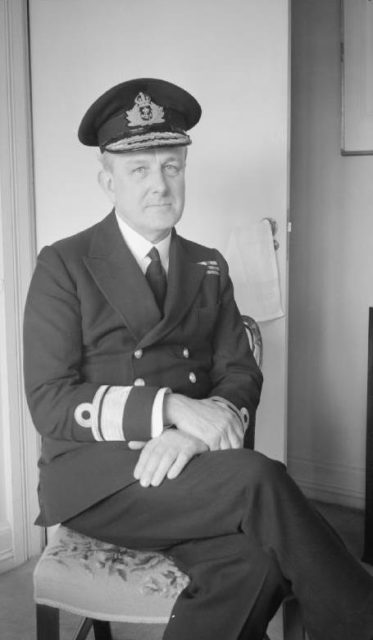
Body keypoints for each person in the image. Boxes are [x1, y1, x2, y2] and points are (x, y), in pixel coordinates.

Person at [23, 78, 373, 640]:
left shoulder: (208, 265)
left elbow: (240, 371)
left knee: (255, 567)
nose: (160, 185)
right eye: (139, 170)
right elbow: (50, 401)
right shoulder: (64, 265)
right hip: (101, 481)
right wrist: (171, 412)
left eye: (172, 167)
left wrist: (197, 434)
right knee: (260, 477)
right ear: (106, 180)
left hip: (192, 472)